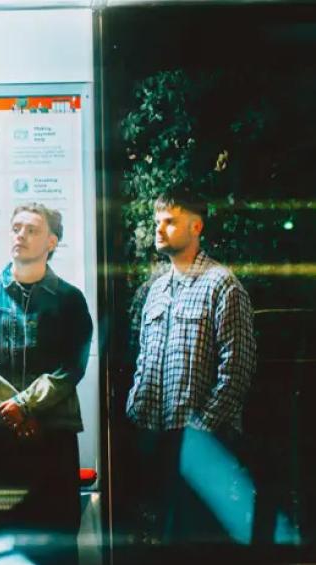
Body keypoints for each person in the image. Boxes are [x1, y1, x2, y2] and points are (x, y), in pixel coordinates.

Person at [126, 190, 257, 542]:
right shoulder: (156, 291)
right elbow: (145, 358)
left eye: (170, 221)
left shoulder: (222, 285)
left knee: (198, 542)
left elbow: (238, 368)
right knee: (163, 542)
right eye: (157, 222)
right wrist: (136, 411)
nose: (160, 229)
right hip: (156, 436)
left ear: (196, 226)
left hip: (204, 441)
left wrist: (202, 430)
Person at [0, 203, 93, 535]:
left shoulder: (70, 300)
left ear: (52, 242)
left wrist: (25, 405)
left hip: (53, 432)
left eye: (32, 229)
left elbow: (71, 367)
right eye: (16, 227)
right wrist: (17, 408)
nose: (21, 235)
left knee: (57, 534)